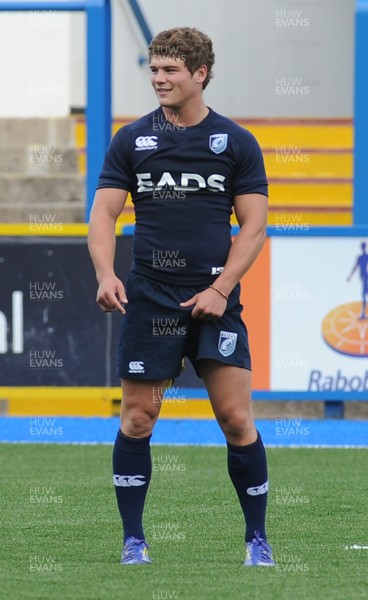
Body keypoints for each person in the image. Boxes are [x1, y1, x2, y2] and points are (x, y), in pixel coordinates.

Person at [88, 26, 274, 567]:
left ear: (200, 74)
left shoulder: (235, 142)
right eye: (154, 70)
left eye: (170, 70)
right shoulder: (132, 140)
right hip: (150, 298)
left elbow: (255, 227)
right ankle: (133, 541)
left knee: (236, 420)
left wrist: (220, 289)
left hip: (215, 301)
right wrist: (105, 272)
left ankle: (256, 540)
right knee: (138, 419)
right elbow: (103, 213)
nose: (159, 79)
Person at [347, 241, 368, 320]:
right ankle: (363, 313)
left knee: (364, 293)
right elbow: (355, 267)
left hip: (365, 276)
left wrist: (350, 277)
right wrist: (350, 276)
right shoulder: (360, 257)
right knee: (364, 293)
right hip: (363, 276)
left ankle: (363, 313)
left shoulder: (365, 257)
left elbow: (355, 268)